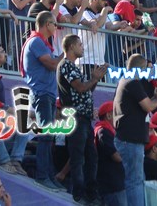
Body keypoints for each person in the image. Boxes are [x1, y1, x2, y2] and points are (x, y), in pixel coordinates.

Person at [113, 53, 157, 206]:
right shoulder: (131, 82)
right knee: (135, 181)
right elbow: (148, 106)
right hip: (130, 140)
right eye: (147, 67)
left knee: (137, 180)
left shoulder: (129, 80)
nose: (149, 71)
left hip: (131, 140)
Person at [57, 34, 108, 204]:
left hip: (83, 119)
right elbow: (79, 88)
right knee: (78, 156)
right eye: (80, 44)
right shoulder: (66, 66)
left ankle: (90, 191)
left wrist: (95, 79)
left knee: (90, 157)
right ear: (71, 46)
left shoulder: (72, 67)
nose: (82, 47)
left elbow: (85, 91)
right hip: (75, 118)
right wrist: (93, 78)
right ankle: (79, 193)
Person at [21, 11, 65, 191]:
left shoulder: (42, 43)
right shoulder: (37, 41)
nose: (55, 27)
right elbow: (52, 64)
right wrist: (66, 55)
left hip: (46, 93)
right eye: (54, 24)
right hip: (41, 93)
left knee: (49, 137)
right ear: (47, 24)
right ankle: (42, 175)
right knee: (45, 136)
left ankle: (48, 175)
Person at [94, 101, 127, 206]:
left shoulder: (109, 131)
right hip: (112, 185)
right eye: (116, 113)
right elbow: (117, 157)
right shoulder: (103, 132)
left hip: (115, 184)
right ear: (108, 115)